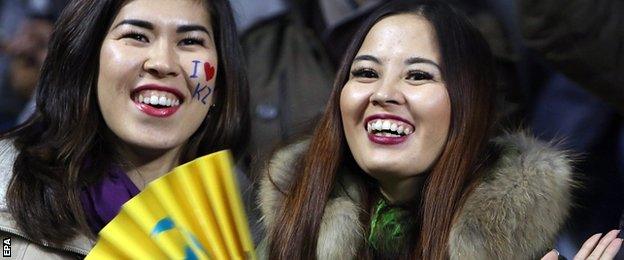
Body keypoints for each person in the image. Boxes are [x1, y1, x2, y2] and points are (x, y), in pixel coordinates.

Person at [256, 0, 620, 259]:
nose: (383, 94)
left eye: (418, 75)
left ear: (470, 104)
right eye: (366, 73)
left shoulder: (525, 243)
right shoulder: (290, 225)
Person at [0, 0, 249, 258]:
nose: (163, 63)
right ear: (87, 59)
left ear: (220, 82)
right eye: (136, 36)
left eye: (190, 42)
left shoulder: (252, 218)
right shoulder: (4, 188)